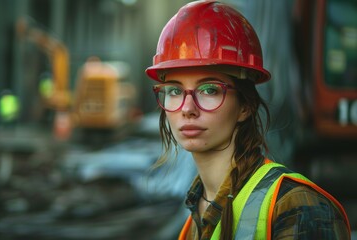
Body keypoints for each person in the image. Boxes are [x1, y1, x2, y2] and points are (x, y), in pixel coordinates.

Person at [145, 1, 351, 239]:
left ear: (245, 106)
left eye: (210, 90)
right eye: (174, 91)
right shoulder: (194, 220)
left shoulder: (297, 208)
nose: (188, 108)